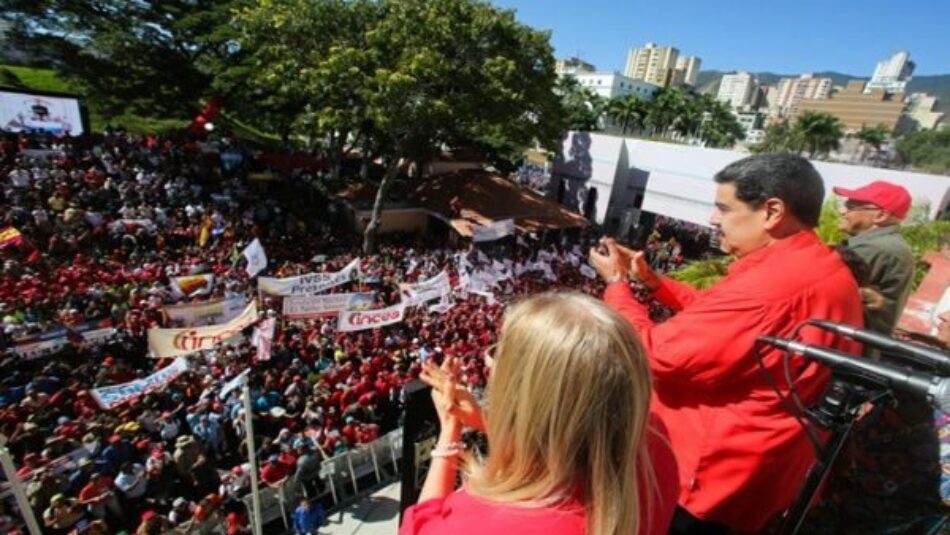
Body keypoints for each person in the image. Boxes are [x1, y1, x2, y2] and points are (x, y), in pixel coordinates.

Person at [589, 153, 864, 533]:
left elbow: (654, 354)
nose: (712, 219)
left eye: (723, 207)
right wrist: (656, 283)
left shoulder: (773, 286)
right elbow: (730, 322)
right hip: (759, 470)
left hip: (708, 479)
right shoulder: (816, 268)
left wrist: (618, 288)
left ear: (771, 211)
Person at [401, 292, 680, 535]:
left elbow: (422, 523)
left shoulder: (487, 524)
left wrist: (450, 428)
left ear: (529, 389)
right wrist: (486, 422)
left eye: (499, 353)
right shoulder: (653, 449)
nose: (490, 364)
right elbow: (566, 443)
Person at [834, 180, 915, 335]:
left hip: (848, 347)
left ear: (881, 215)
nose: (842, 211)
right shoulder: (885, 244)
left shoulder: (875, 248)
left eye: (851, 206)